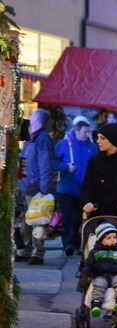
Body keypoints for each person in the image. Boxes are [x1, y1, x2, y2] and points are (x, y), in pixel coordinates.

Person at [53, 116, 98, 256]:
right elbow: (52, 161)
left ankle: (77, 244)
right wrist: (66, 167)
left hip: (84, 189)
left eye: (88, 132)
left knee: (79, 217)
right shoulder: (64, 144)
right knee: (67, 216)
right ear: (77, 131)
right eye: (85, 132)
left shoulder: (93, 147)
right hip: (67, 188)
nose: (87, 135)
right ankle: (68, 244)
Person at [17, 109, 55, 264]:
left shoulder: (43, 139)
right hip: (26, 185)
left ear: (39, 120)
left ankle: (37, 253)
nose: (30, 117)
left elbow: (45, 164)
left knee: (38, 220)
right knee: (26, 219)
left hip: (36, 186)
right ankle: (25, 249)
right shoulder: (30, 138)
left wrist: (44, 188)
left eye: (32, 116)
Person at [80, 221, 117, 317]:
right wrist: (84, 275)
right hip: (101, 275)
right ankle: (96, 305)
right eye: (109, 238)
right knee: (98, 285)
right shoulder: (95, 252)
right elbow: (88, 265)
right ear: (101, 240)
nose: (113, 240)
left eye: (115, 237)